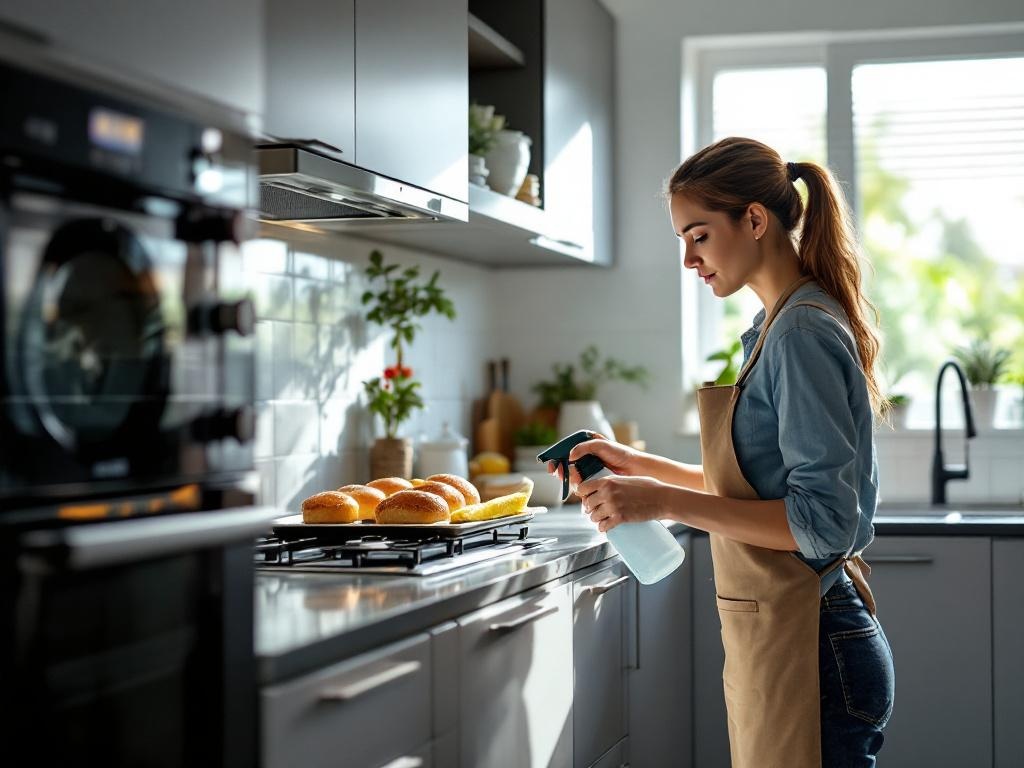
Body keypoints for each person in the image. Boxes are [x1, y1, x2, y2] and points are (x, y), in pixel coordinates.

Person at [548, 137, 895, 767]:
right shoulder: (774, 326)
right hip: (797, 637)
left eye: (699, 235)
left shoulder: (800, 332)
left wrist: (658, 501)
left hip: (816, 644)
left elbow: (818, 524)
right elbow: (758, 489)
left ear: (755, 220)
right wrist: (636, 465)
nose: (689, 259)